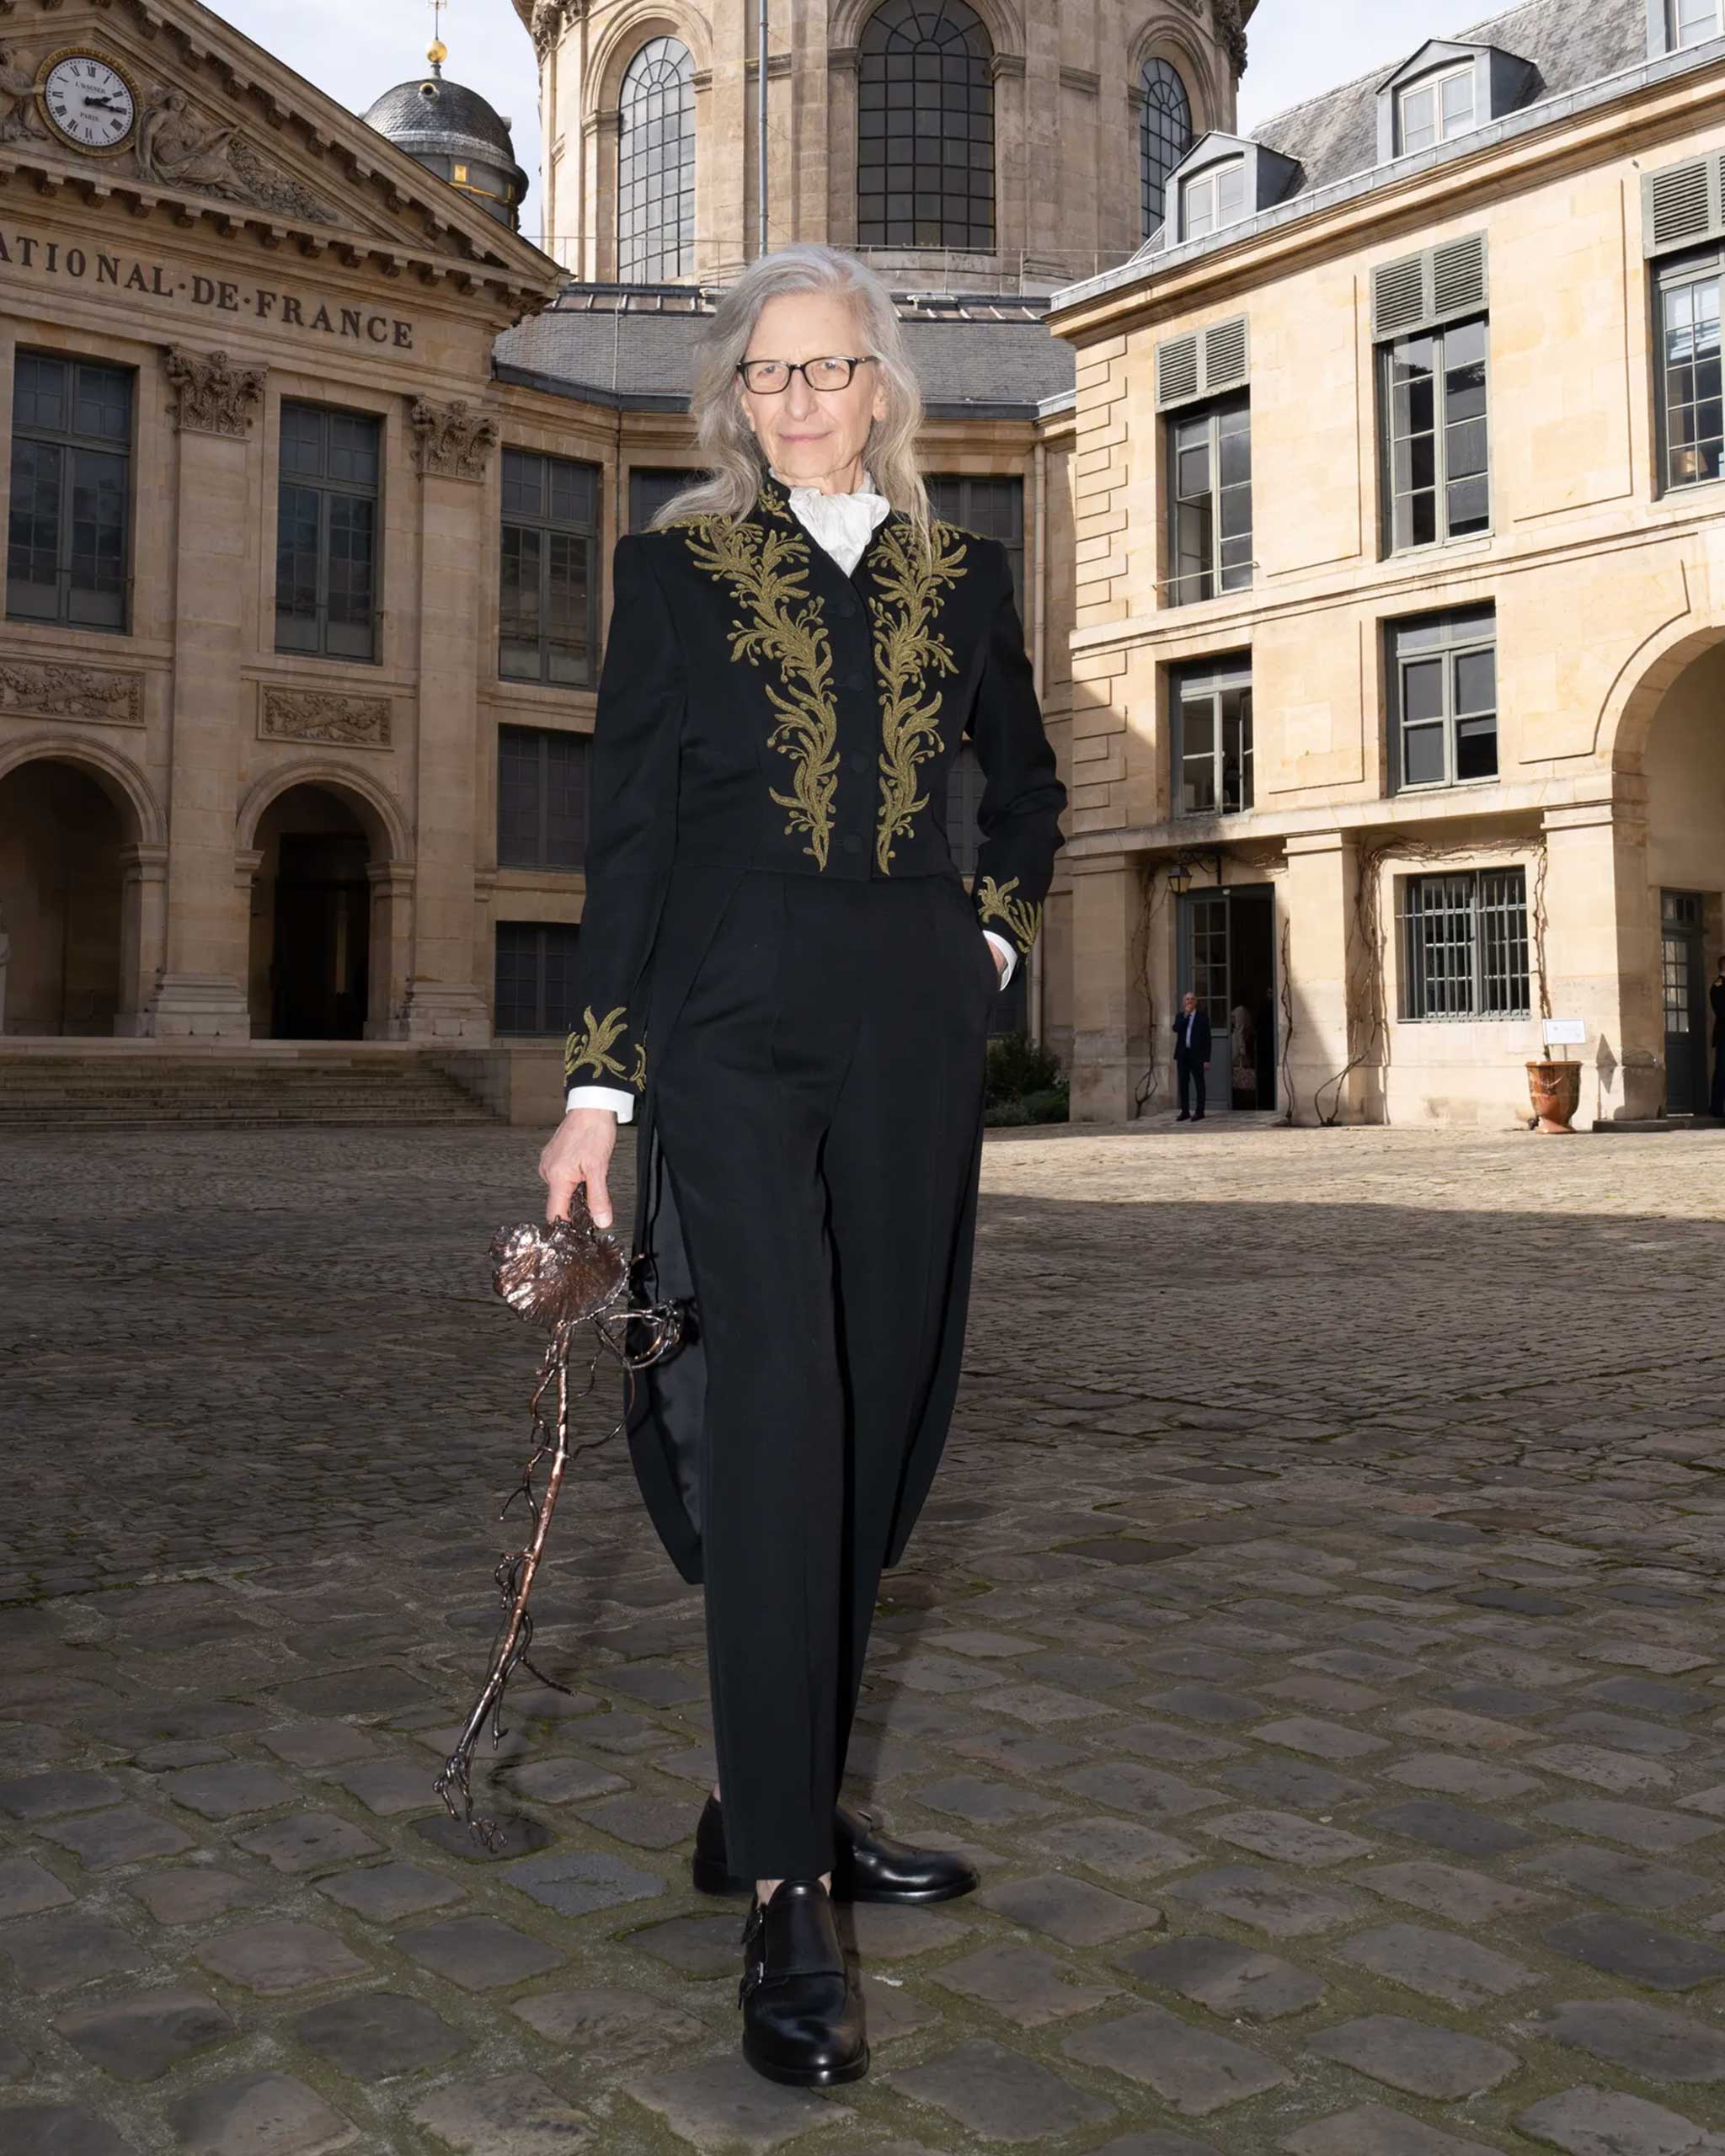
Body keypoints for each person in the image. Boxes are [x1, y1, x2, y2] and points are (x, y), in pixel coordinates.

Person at [537, 243, 1065, 2090]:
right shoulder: (673, 576)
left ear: (880, 385)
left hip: (910, 1018)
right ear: (734, 400)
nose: (797, 400)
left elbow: (1027, 787)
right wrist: (599, 1090)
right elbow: (629, 840)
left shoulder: (958, 575)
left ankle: (770, 1797)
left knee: (881, 1413)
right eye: (765, 375)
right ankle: (783, 1890)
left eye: (826, 369)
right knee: (775, 1421)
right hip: (732, 1017)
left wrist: (982, 944)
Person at [1174, 990, 1212, 1120]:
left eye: (1192, 999)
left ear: (1196, 1002)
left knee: (1199, 1084)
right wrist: (1186, 1015)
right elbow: (1176, 1028)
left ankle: (1200, 1112)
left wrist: (1207, 1059)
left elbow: (1207, 1039)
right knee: (1183, 1084)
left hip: (1197, 1055)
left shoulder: (1202, 1017)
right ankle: (1185, 1111)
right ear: (1184, 1002)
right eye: (1187, 999)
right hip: (1183, 1055)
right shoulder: (1180, 1016)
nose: (1189, 1001)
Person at [1711, 955, 1724, 1119]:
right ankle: (1717, 1108)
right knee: (1722, 1072)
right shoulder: (1718, 985)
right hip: (1723, 1035)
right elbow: (1721, 1010)